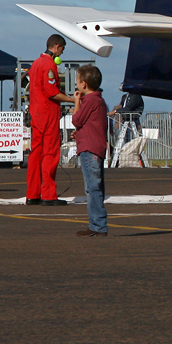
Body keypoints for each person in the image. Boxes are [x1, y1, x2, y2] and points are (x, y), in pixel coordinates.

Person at [26, 34, 74, 206]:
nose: (62, 52)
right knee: (50, 153)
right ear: (56, 47)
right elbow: (52, 92)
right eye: (62, 49)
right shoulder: (49, 65)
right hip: (47, 114)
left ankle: (32, 194)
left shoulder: (36, 64)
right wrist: (72, 99)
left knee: (35, 153)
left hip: (36, 113)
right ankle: (48, 194)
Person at [72, 64, 109, 237]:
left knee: (92, 187)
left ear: (84, 84)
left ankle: (98, 225)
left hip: (89, 149)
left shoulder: (90, 100)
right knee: (97, 186)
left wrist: (77, 101)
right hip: (97, 147)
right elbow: (90, 125)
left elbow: (77, 120)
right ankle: (97, 223)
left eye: (78, 81)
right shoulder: (100, 101)